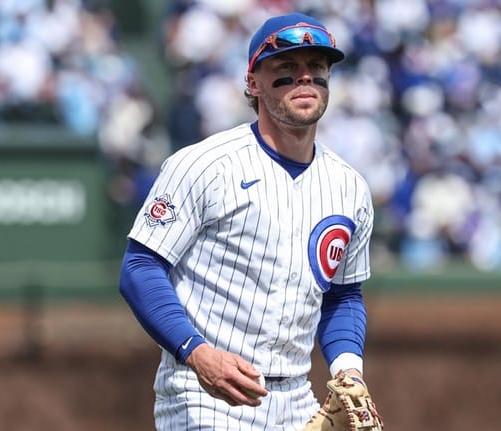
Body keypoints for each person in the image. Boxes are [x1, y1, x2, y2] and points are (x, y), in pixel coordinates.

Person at [119, 12, 375, 430]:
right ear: (253, 83)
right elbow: (140, 268)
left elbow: (343, 295)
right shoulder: (203, 164)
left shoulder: (350, 187)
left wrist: (348, 367)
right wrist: (196, 352)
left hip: (296, 397)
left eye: (317, 68)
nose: (304, 78)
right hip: (203, 392)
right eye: (287, 68)